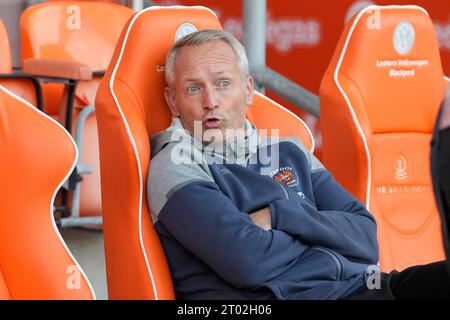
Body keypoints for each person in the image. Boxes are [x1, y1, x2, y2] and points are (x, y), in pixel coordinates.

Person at [147, 29, 450, 300]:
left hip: (366, 286)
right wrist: (326, 238)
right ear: (173, 101)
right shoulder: (176, 163)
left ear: (248, 89)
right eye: (193, 89)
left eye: (223, 83)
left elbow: (365, 235)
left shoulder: (288, 149)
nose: (211, 100)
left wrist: (279, 215)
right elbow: (247, 261)